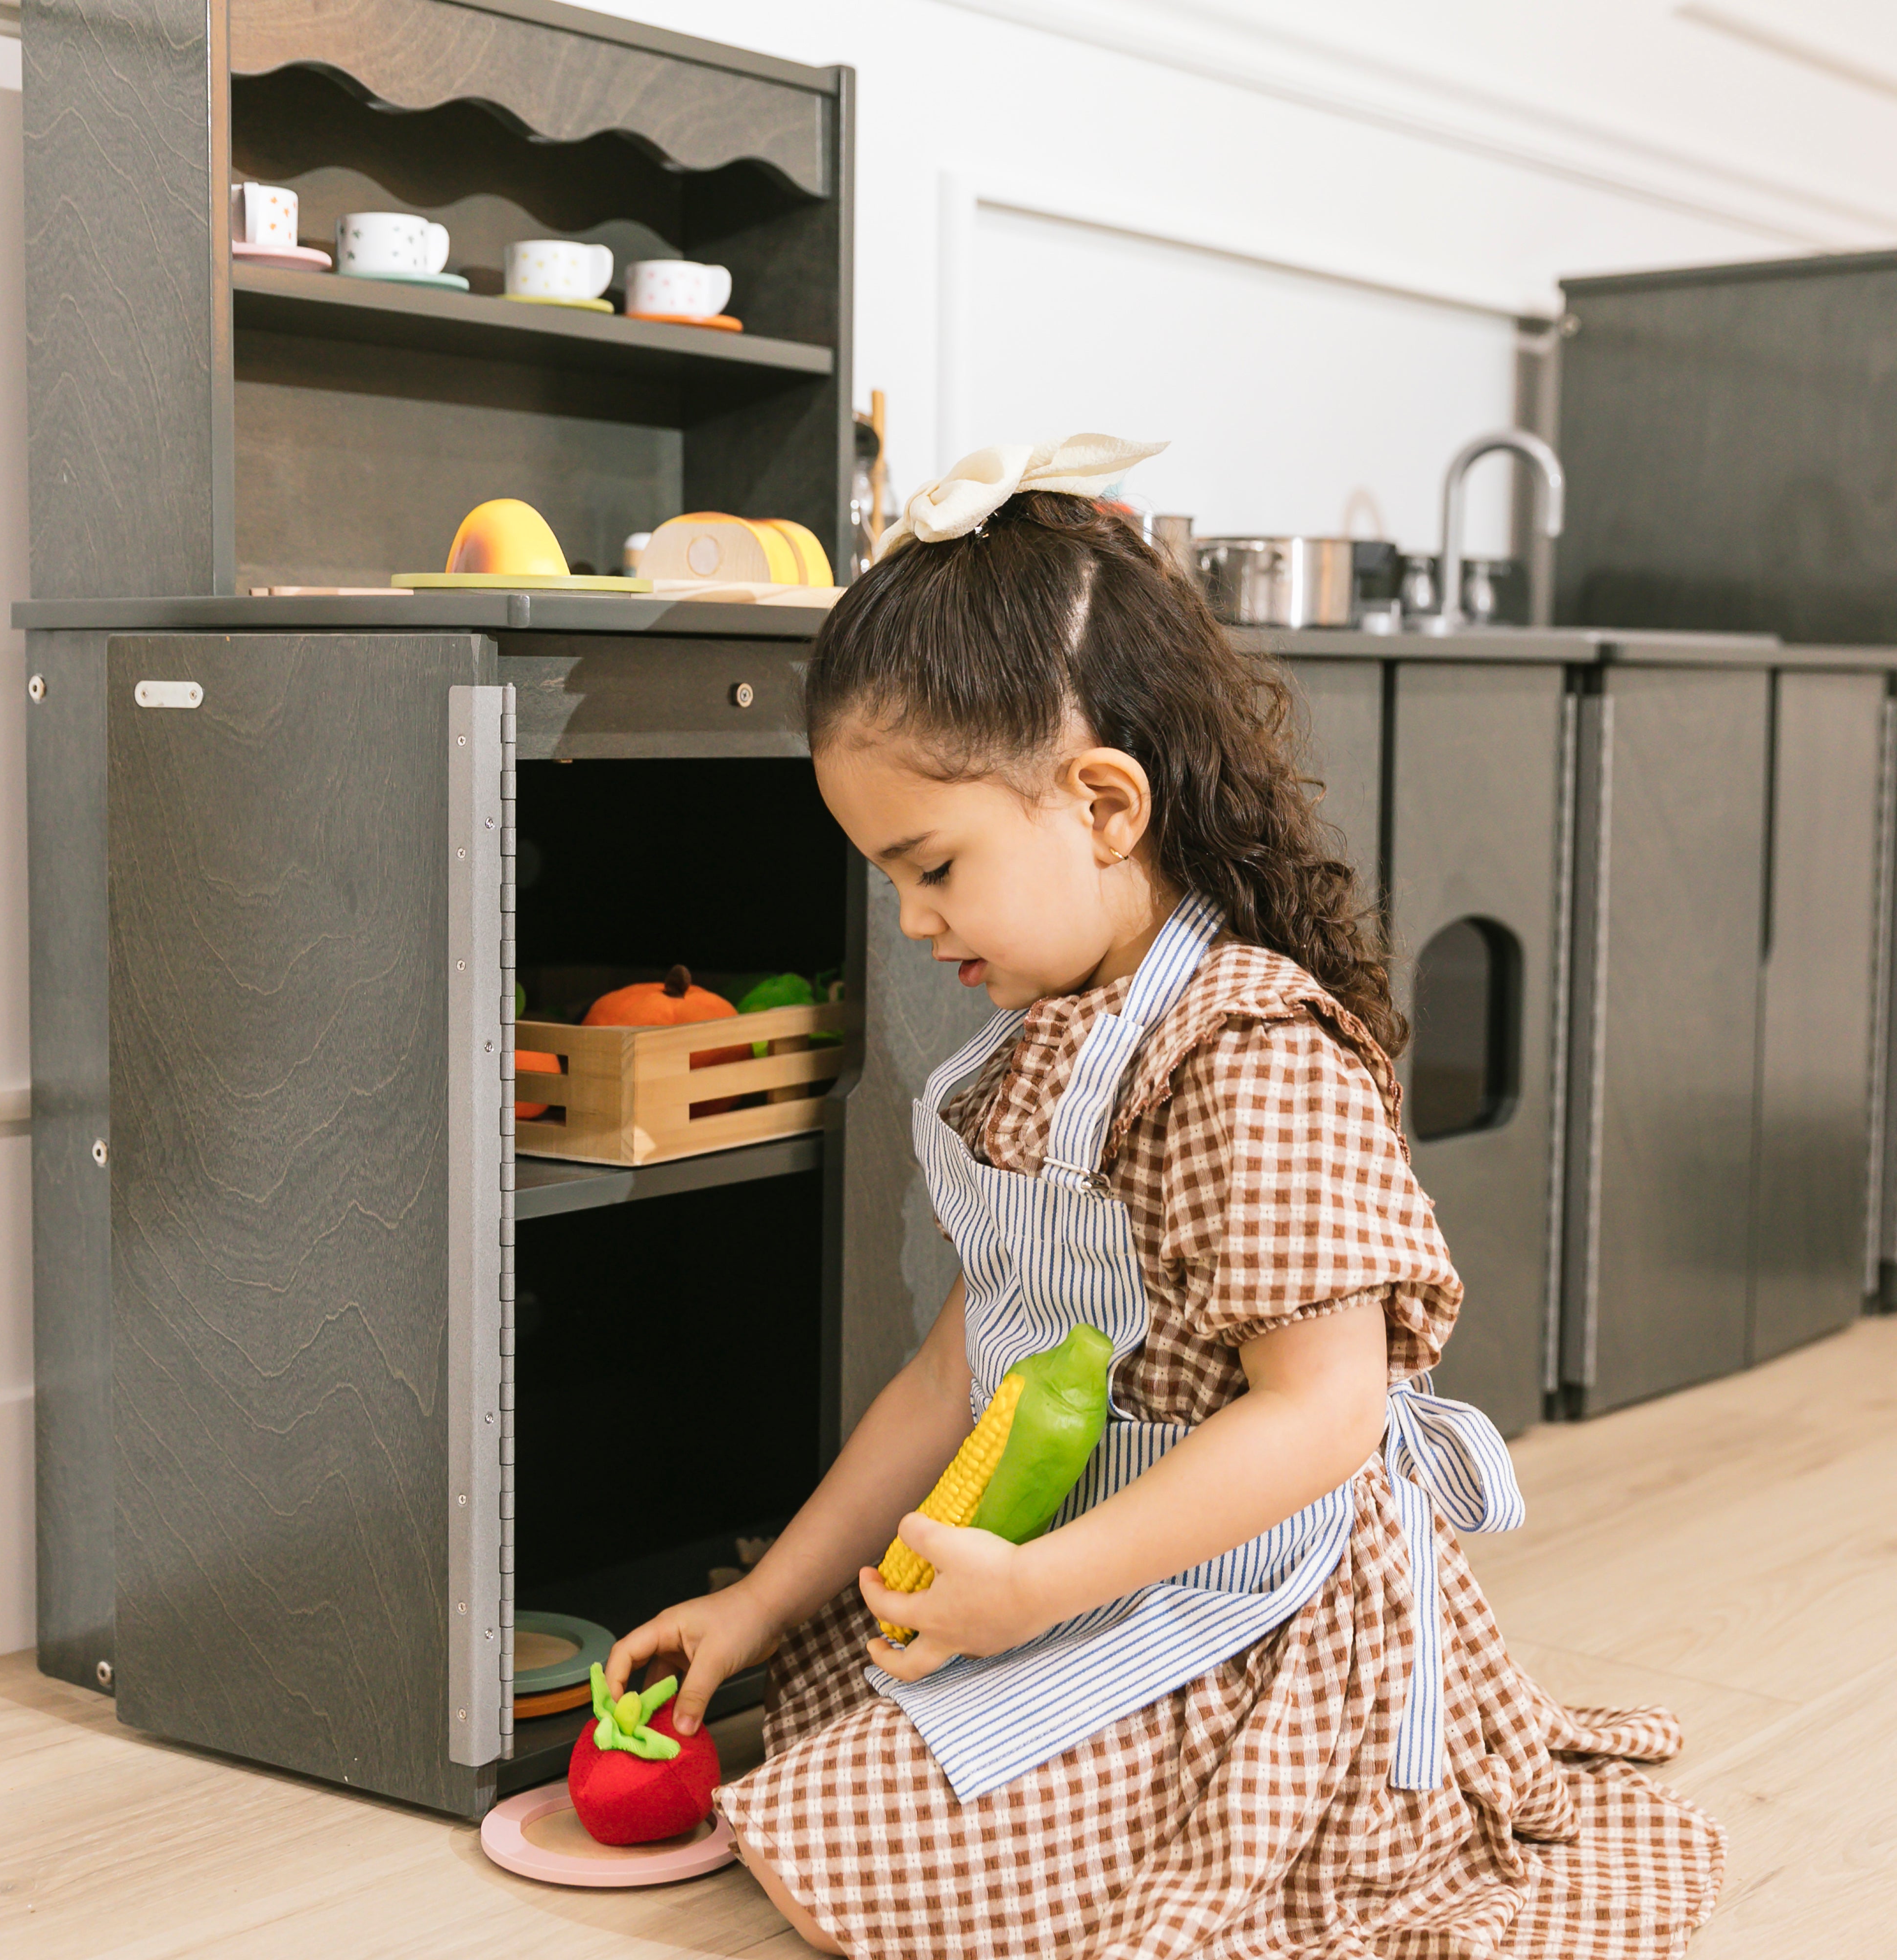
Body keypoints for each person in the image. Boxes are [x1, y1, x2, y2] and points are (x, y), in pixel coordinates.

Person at [604, 436, 1725, 1958]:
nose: (915, 918)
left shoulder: (1249, 1053)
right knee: (803, 1780)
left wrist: (1038, 1590)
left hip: (1245, 1610)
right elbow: (960, 1370)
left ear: (1105, 805)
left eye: (932, 866)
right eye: (889, 879)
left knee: (825, 1858)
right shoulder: (1048, 1040)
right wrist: (760, 1609)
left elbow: (1323, 1420)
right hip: (1068, 1569)